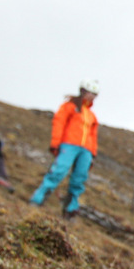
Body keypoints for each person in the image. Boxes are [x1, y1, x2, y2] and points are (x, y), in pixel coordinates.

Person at [30, 79, 100, 218]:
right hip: (69, 145)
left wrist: (92, 154)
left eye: (94, 94)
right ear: (83, 91)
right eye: (89, 92)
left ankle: (70, 210)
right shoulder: (69, 106)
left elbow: (93, 135)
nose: (91, 96)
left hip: (85, 150)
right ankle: (37, 200)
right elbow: (59, 123)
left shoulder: (92, 116)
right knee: (58, 171)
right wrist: (55, 143)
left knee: (79, 179)